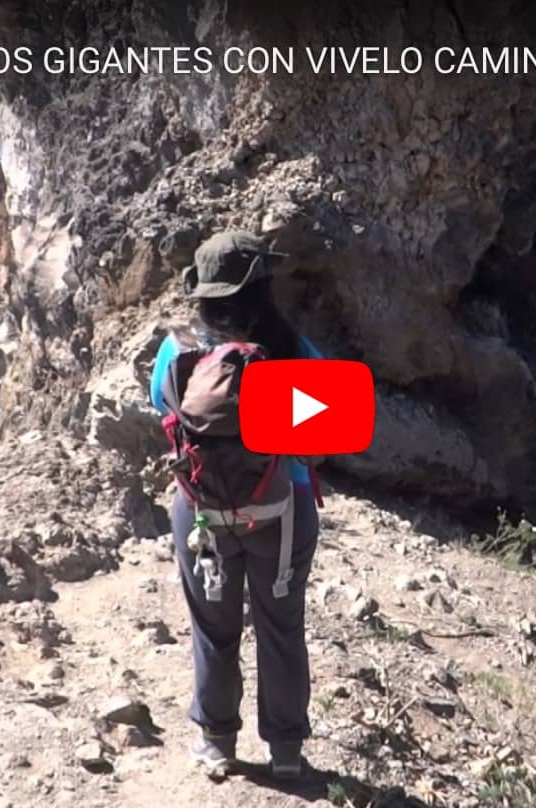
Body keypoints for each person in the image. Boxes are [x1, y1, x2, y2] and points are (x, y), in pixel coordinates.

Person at [149, 230, 322, 781]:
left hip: (201, 513)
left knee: (213, 629)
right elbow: (323, 434)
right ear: (264, 287)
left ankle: (216, 742)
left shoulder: (175, 352)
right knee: (281, 627)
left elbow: (162, 408)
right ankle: (286, 752)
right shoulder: (294, 350)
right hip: (283, 511)